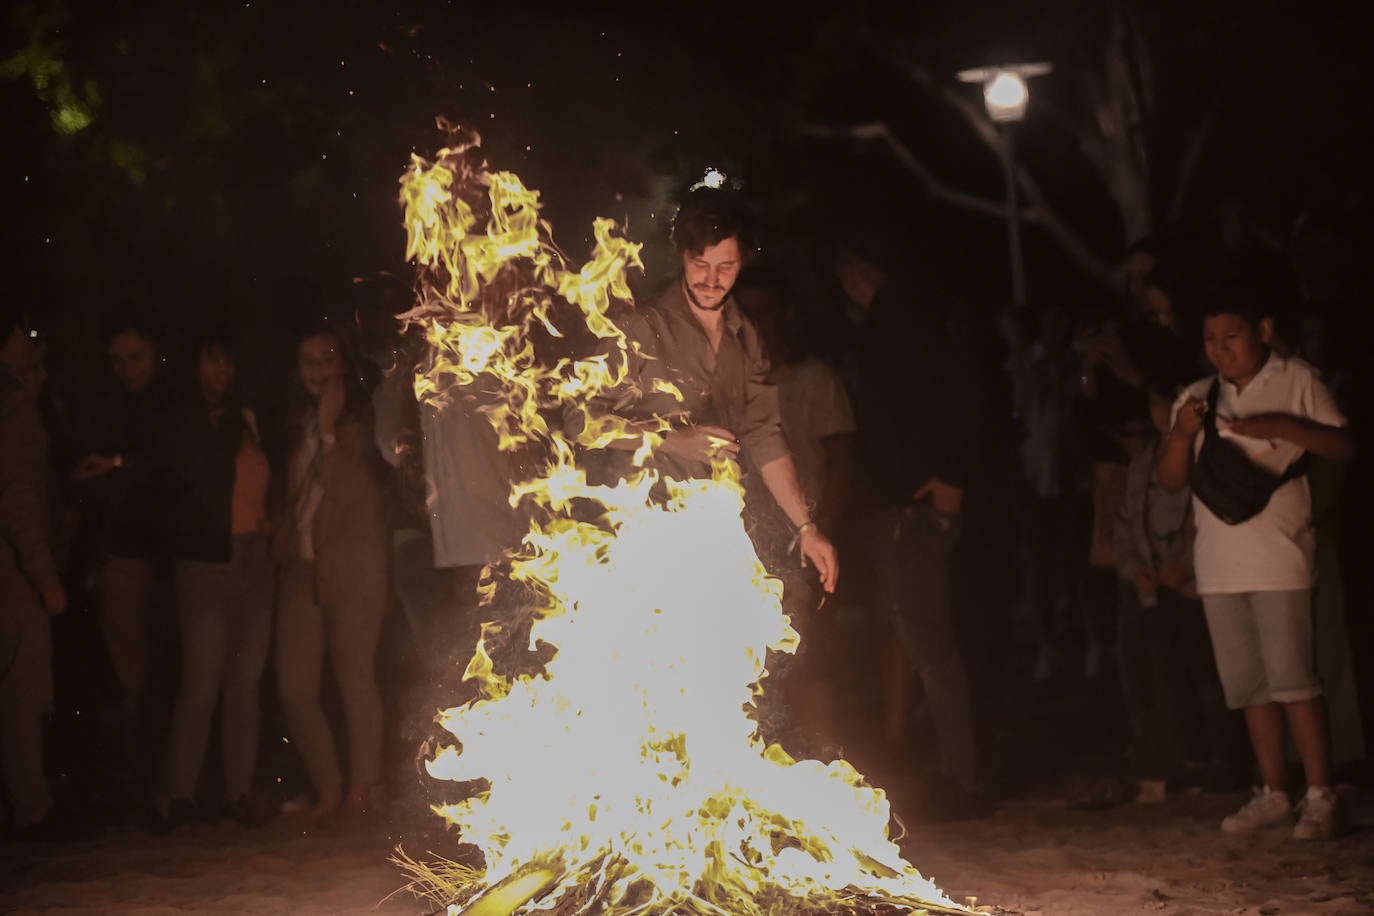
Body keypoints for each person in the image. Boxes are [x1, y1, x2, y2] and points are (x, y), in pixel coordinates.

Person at [1157, 262, 1355, 840]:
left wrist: (1282, 425)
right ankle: (1273, 792)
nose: (1220, 351)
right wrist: (1181, 435)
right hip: (1219, 565)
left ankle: (1320, 794)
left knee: (1296, 679)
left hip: (1281, 554)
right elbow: (1172, 480)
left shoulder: (1299, 379)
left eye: (1232, 337)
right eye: (1211, 341)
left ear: (1263, 330)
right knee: (1249, 687)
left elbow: (1343, 445)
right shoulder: (1196, 397)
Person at [570, 187, 838, 593]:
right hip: (637, 534)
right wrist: (670, 441)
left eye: (726, 267)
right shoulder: (640, 329)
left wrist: (806, 526)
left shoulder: (746, 339)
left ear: (742, 262)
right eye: (701, 264)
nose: (712, 280)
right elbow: (580, 421)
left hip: (713, 532)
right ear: (682, 256)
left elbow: (765, 435)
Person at [835, 246, 988, 818]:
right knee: (918, 641)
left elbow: (956, 399)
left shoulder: (908, 325)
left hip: (912, 508)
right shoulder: (895, 326)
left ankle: (961, 780)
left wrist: (951, 479)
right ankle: (952, 774)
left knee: (930, 645)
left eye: (848, 271)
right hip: (898, 505)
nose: (845, 283)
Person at [153, 333, 274, 830]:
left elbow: (265, 484)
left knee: (245, 685)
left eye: (227, 361)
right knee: (202, 685)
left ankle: (238, 793)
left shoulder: (246, 418)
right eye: (210, 361)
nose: (220, 371)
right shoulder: (182, 419)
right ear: (193, 365)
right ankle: (178, 796)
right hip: (205, 561)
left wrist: (271, 524)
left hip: (252, 559)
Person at [735, 268, 856, 754]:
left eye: (762, 313)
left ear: (784, 316)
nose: (755, 324)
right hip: (745, 539)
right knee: (751, 661)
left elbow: (843, 457)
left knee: (808, 656)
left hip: (800, 536)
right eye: (746, 315)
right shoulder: (735, 377)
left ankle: (824, 761)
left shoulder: (812, 379)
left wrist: (819, 526)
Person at [274, 326, 391, 822]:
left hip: (355, 563)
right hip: (302, 567)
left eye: (325, 359)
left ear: (342, 364)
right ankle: (328, 787)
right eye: (307, 360)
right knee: (293, 687)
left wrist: (325, 432)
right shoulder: (293, 420)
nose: (317, 370)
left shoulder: (364, 419)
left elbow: (343, 486)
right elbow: (293, 488)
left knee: (354, 676)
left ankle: (362, 788)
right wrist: (316, 431)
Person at [1113, 381, 1234, 803]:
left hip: (1195, 588)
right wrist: (1137, 570)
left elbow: (1209, 517)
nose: (1161, 411)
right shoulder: (1144, 463)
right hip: (1154, 588)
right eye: (1156, 402)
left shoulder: (1207, 454)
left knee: (1207, 676)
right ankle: (1179, 762)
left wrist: (1184, 565)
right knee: (1165, 679)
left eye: (1169, 402)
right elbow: (1127, 524)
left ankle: (1224, 762)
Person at [70, 316, 171, 801]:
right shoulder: (107, 407)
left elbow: (170, 469)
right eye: (119, 360)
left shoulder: (170, 402)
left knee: (171, 673)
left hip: (174, 562)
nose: (128, 368)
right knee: (134, 677)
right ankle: (146, 788)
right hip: (124, 560)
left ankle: (172, 785)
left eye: (138, 357)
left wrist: (119, 465)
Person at [0, 311, 70, 837]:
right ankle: (32, 806)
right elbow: (22, 503)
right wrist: (45, 577)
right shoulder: (15, 411)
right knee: (24, 693)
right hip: (13, 575)